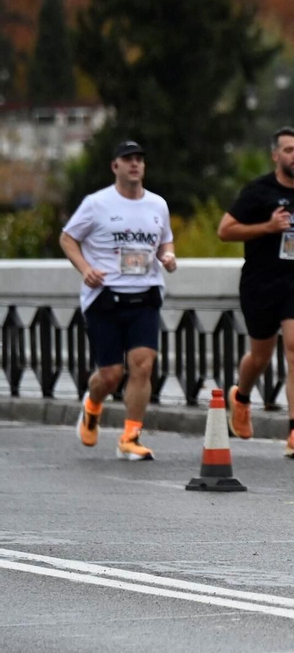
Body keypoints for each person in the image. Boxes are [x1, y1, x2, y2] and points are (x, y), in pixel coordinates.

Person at [217, 127, 294, 459]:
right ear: (276, 156)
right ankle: (241, 398)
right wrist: (266, 228)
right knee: (260, 356)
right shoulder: (257, 192)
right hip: (262, 282)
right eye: (289, 150)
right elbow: (225, 230)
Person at [59, 140, 177, 461]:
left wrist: (168, 257)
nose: (135, 164)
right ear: (115, 166)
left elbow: (165, 241)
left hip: (146, 296)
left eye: (139, 159)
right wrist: (85, 269)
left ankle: (130, 436)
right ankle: (92, 405)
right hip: (105, 298)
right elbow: (67, 238)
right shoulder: (97, 204)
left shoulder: (157, 205)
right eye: (128, 159)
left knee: (142, 365)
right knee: (111, 375)